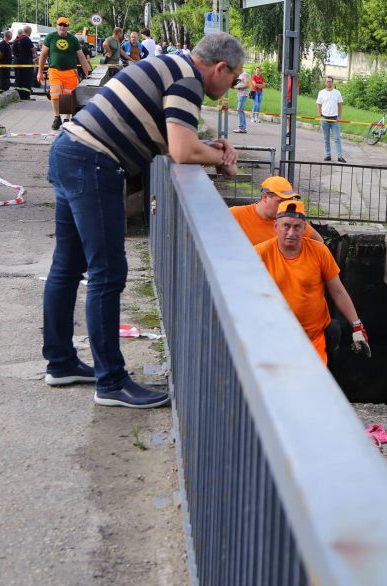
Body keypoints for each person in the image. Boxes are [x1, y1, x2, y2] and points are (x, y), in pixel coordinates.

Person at [43, 32, 243, 409]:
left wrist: (214, 148)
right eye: (235, 78)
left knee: (67, 268)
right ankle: (112, 382)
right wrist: (221, 160)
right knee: (108, 272)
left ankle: (61, 361)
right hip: (94, 163)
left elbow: (171, 139)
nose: (233, 86)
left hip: (70, 150)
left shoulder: (171, 67)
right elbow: (183, 150)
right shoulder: (189, 81)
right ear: (220, 67)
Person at [255, 199, 370, 365]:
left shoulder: (319, 252)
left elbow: (338, 292)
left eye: (297, 227)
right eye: (286, 226)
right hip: (275, 339)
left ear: (304, 229)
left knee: (313, 388)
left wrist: (357, 325)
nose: (291, 233)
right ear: (275, 227)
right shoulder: (259, 254)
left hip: (314, 340)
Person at [230, 176, 324, 246]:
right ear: (265, 197)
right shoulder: (234, 215)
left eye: (289, 201)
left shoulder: (291, 221)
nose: (285, 206)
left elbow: (319, 242)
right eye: (280, 201)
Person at [37, 18, 91, 131]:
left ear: (68, 26)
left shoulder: (73, 39)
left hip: (70, 72)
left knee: (68, 96)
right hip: (55, 71)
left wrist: (88, 74)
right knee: (55, 94)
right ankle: (57, 118)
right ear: (56, 26)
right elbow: (43, 55)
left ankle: (66, 120)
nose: (62, 27)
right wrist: (40, 72)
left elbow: (81, 57)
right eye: (60, 25)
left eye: (65, 25)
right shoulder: (50, 37)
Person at [316, 76, 345, 162]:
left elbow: (340, 105)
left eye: (330, 81)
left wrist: (339, 117)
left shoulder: (337, 93)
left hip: (334, 119)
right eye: (327, 81)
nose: (329, 83)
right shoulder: (321, 92)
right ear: (325, 82)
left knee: (337, 138)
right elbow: (319, 105)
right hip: (324, 118)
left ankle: (340, 156)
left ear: (333, 82)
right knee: (326, 138)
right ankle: (328, 155)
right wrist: (320, 115)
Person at [12, 26, 35, 100]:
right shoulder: (27, 39)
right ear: (29, 31)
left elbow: (13, 51)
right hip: (27, 63)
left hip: (17, 63)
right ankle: (25, 96)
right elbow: (33, 50)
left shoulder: (16, 40)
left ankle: (17, 95)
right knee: (26, 79)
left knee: (18, 79)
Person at [233, 68, 250, 133]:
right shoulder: (240, 75)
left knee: (239, 110)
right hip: (240, 94)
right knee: (240, 110)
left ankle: (242, 127)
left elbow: (247, 85)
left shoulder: (244, 74)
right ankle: (242, 127)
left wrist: (237, 87)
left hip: (243, 94)